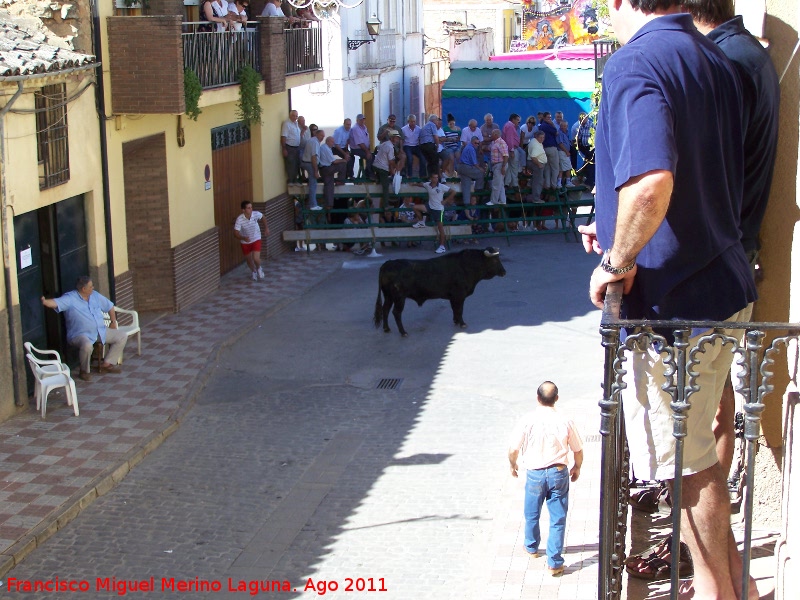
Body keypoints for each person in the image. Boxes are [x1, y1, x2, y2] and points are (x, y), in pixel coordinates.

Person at [578, 1, 756, 598]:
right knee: (694, 450)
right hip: (724, 286)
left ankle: (718, 592)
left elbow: (653, 184)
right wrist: (615, 222)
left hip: (675, 308)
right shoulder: (715, 56)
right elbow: (700, 179)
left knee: (683, 462)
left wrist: (615, 260)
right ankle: (736, 585)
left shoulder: (635, 63)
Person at [624, 0, 781, 585]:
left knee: (693, 451)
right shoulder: (741, 57)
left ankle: (718, 578)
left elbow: (665, 184)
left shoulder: (713, 62)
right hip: (730, 263)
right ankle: (720, 576)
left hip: (704, 276)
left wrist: (621, 251)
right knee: (701, 434)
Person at [508, 381, 583, 576]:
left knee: (532, 513)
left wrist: (512, 464)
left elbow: (513, 449)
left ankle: (531, 547)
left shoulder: (527, 420)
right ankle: (554, 561)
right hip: (558, 472)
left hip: (535, 474)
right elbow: (578, 449)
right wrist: (577, 467)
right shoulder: (566, 420)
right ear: (556, 398)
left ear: (537, 398)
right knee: (557, 518)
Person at [41, 277, 128, 382]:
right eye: (91, 286)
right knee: (87, 345)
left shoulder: (94, 295)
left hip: (100, 331)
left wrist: (113, 322)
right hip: (80, 335)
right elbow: (56, 303)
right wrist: (45, 302)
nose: (93, 288)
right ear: (83, 289)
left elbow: (110, 306)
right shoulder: (70, 298)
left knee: (122, 336)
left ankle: (107, 364)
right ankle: (84, 371)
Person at [411, 173, 455, 254]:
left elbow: (453, 192)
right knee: (415, 207)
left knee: (440, 228)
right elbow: (421, 185)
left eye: (437, 177)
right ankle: (421, 222)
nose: (435, 179)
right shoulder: (427, 184)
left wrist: (446, 200)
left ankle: (442, 246)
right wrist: (413, 184)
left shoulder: (442, 186)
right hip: (430, 207)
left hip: (439, 210)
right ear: (431, 178)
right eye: (434, 177)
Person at [234, 200, 269, 281]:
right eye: (248, 208)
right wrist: (243, 238)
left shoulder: (256, 214)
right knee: (249, 259)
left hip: (256, 238)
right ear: (243, 210)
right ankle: (253, 271)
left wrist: (266, 228)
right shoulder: (239, 219)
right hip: (245, 242)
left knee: (256, 258)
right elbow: (235, 233)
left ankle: (259, 268)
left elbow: (263, 217)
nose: (251, 209)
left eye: (251, 207)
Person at [319, 135, 348, 209]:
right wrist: (344, 160)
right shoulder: (326, 148)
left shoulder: (324, 147)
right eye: (332, 142)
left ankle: (329, 204)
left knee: (329, 186)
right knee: (343, 164)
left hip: (323, 169)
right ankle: (340, 180)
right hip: (327, 168)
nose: (333, 143)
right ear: (327, 141)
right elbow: (334, 161)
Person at [455, 136, 485, 208]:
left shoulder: (467, 147)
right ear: (472, 141)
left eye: (478, 143)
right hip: (466, 167)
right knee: (481, 173)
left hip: (461, 167)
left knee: (466, 186)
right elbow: (474, 163)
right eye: (476, 143)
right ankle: (478, 189)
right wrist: (481, 169)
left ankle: (466, 204)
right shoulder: (471, 149)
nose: (477, 145)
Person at [300, 128, 323, 211]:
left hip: (305, 162)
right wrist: (316, 171)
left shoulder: (312, 140)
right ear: (317, 134)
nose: (322, 138)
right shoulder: (315, 142)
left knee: (312, 184)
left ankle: (311, 204)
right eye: (321, 135)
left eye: (323, 136)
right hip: (309, 163)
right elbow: (314, 157)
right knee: (313, 185)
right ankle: (313, 205)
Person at [485, 129, 508, 206]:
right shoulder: (494, 143)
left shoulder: (501, 143)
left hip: (500, 164)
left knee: (496, 184)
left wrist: (503, 166)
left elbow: (505, 155)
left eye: (492, 134)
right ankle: (503, 200)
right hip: (495, 165)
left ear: (495, 134)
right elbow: (488, 148)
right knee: (500, 184)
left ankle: (494, 201)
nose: (491, 136)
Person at [537, 112, 560, 190]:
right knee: (555, 167)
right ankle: (554, 184)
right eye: (548, 118)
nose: (550, 119)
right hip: (551, 148)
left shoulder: (540, 126)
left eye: (550, 117)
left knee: (547, 168)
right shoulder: (547, 126)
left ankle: (547, 184)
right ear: (544, 118)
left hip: (544, 149)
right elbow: (556, 132)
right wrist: (552, 124)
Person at [348, 114, 373, 179]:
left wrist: (369, 149)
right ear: (357, 120)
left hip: (363, 148)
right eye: (361, 119)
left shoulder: (364, 127)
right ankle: (369, 174)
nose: (362, 121)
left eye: (363, 119)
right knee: (369, 156)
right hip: (356, 149)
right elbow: (359, 143)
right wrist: (367, 152)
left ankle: (367, 173)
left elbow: (367, 138)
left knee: (373, 156)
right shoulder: (355, 129)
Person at [281, 109, 301, 183]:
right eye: (293, 115)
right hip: (289, 147)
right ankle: (291, 181)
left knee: (296, 164)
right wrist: (284, 149)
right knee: (290, 165)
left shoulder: (295, 124)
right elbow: (283, 136)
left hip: (296, 147)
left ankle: (295, 180)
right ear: (290, 115)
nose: (295, 117)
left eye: (296, 116)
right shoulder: (287, 124)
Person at [527, 129, 547, 205]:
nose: (542, 139)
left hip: (534, 163)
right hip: (536, 164)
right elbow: (533, 157)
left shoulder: (533, 141)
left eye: (543, 137)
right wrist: (539, 165)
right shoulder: (536, 144)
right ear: (537, 137)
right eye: (540, 137)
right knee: (538, 182)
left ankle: (530, 183)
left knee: (537, 180)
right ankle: (536, 198)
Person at [501, 113, 521, 188]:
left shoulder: (507, 125)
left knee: (509, 167)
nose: (518, 122)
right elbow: (510, 139)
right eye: (517, 120)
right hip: (511, 149)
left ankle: (507, 183)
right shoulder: (510, 126)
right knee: (514, 167)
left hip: (507, 149)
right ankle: (515, 184)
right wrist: (512, 150)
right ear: (513, 119)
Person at [556, 120, 573, 187]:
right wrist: (566, 152)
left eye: (564, 126)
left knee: (561, 168)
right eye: (562, 126)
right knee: (568, 167)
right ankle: (568, 182)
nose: (563, 127)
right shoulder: (559, 133)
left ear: (567, 126)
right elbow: (560, 143)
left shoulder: (567, 133)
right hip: (562, 152)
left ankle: (559, 183)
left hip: (565, 152)